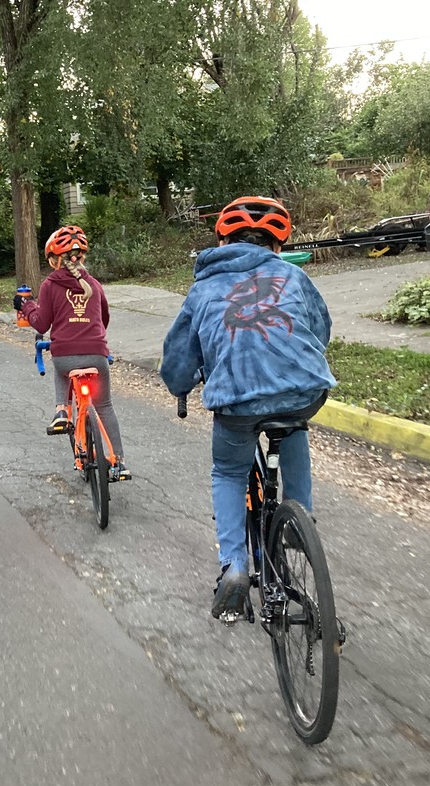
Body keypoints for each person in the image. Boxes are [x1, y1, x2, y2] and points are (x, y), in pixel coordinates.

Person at [160, 196, 337, 623]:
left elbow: (179, 362)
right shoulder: (293, 276)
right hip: (304, 391)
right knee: (292, 427)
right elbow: (321, 328)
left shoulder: (203, 288)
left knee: (229, 471)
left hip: (237, 401)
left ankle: (234, 566)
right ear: (278, 244)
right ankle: (298, 521)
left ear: (223, 240)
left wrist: (182, 385)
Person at [14, 225, 131, 481]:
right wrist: (94, 339)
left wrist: (28, 305)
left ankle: (62, 411)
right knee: (105, 406)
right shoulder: (95, 286)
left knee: (61, 369)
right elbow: (104, 319)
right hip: (97, 356)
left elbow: (42, 324)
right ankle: (118, 463)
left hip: (66, 356)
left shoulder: (49, 284)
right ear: (83, 257)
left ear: (55, 260)